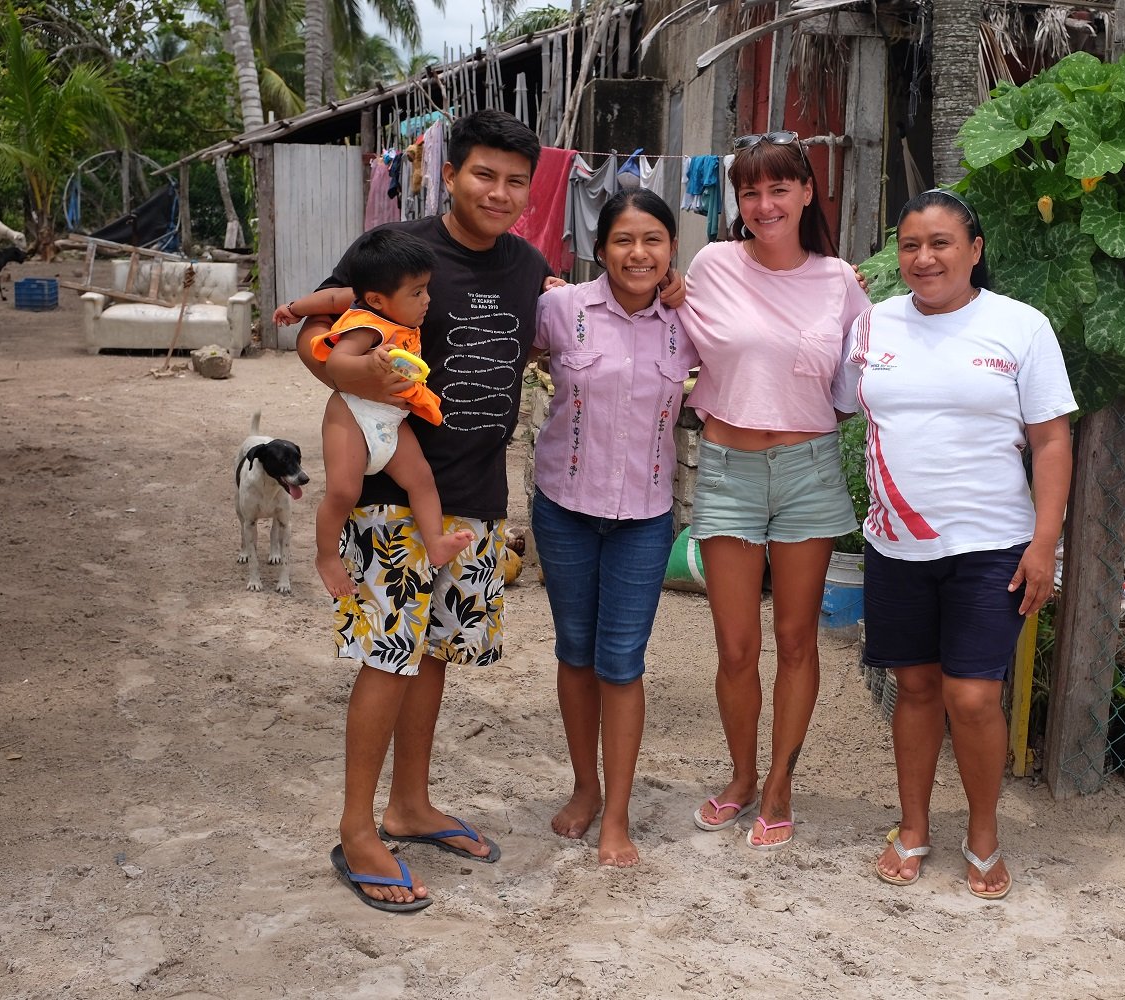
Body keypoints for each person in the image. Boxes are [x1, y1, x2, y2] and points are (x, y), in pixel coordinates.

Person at [294, 109, 550, 912]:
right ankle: (358, 827)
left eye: (515, 181)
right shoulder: (402, 251)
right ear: (449, 174)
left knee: (433, 654)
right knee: (386, 661)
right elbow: (314, 328)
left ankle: (409, 803)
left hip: (471, 499)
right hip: (385, 501)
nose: (499, 193)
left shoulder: (528, 264)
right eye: (484, 175)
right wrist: (343, 373)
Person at [848, 189, 1074, 898]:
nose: (923, 258)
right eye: (911, 244)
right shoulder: (872, 324)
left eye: (941, 243)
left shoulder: (1021, 327)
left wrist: (1045, 544)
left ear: (974, 251)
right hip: (894, 542)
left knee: (972, 695)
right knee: (912, 688)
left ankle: (983, 835)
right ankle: (912, 828)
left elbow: (1051, 438)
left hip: (992, 544)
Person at [680, 130, 870, 850]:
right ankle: (740, 775)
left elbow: (852, 390)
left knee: (796, 639)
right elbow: (668, 331)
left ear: (806, 192)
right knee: (735, 646)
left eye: (778, 188)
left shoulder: (841, 283)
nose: (764, 204)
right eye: (750, 191)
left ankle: (781, 781)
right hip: (726, 469)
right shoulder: (712, 265)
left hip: (808, 470)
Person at [531, 189, 698, 867]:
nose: (639, 253)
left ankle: (618, 817)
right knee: (575, 653)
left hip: (645, 518)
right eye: (624, 240)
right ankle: (584, 789)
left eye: (653, 240)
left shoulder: (689, 322)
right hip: (563, 508)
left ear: (670, 252)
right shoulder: (559, 309)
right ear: (600, 250)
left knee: (621, 664)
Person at [274, 230, 476, 598]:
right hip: (351, 413)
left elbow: (334, 297)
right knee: (343, 491)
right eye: (417, 293)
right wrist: (367, 362)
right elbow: (337, 361)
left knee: (422, 480)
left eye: (426, 288)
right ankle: (326, 556)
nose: (427, 300)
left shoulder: (380, 307)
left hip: (390, 419)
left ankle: (435, 542)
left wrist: (295, 307)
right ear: (377, 300)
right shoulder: (367, 326)